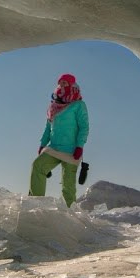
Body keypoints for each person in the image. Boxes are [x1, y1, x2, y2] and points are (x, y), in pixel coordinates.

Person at [29, 73, 89, 207]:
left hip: (71, 149)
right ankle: (35, 205)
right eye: (60, 83)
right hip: (54, 147)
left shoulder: (79, 104)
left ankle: (70, 216)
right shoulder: (53, 106)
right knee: (37, 166)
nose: (62, 85)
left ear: (72, 85)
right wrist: (42, 144)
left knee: (68, 186)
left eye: (65, 83)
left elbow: (84, 127)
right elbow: (48, 127)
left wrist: (80, 146)